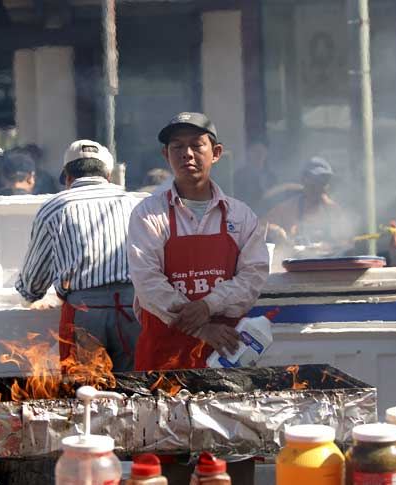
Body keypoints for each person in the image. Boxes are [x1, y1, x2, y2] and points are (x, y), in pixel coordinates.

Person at [127, 112, 269, 485]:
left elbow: (253, 277)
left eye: (196, 145)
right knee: (164, 459)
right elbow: (147, 282)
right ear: (165, 155)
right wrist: (198, 324)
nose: (187, 154)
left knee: (231, 455)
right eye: (177, 147)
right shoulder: (148, 214)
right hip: (164, 355)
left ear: (216, 152)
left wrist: (208, 304)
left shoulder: (242, 216)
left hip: (226, 358)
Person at [15, 139, 142, 372]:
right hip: (133, 310)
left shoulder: (54, 208)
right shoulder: (133, 203)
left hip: (84, 315)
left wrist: (29, 292)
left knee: (86, 395)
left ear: (67, 177)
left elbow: (33, 284)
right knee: (137, 393)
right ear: (108, 175)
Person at [263, 157, 347, 248]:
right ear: (304, 180)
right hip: (296, 260)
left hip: (327, 261)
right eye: (314, 182)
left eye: (322, 182)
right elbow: (259, 227)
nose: (318, 187)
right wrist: (274, 230)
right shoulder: (288, 208)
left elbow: (345, 241)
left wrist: (336, 244)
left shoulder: (333, 210)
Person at [233, 139, 275, 215]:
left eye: (262, 151)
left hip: (268, 217)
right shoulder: (240, 176)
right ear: (249, 153)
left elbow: (275, 197)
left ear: (266, 153)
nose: (259, 155)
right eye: (256, 151)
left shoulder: (270, 176)